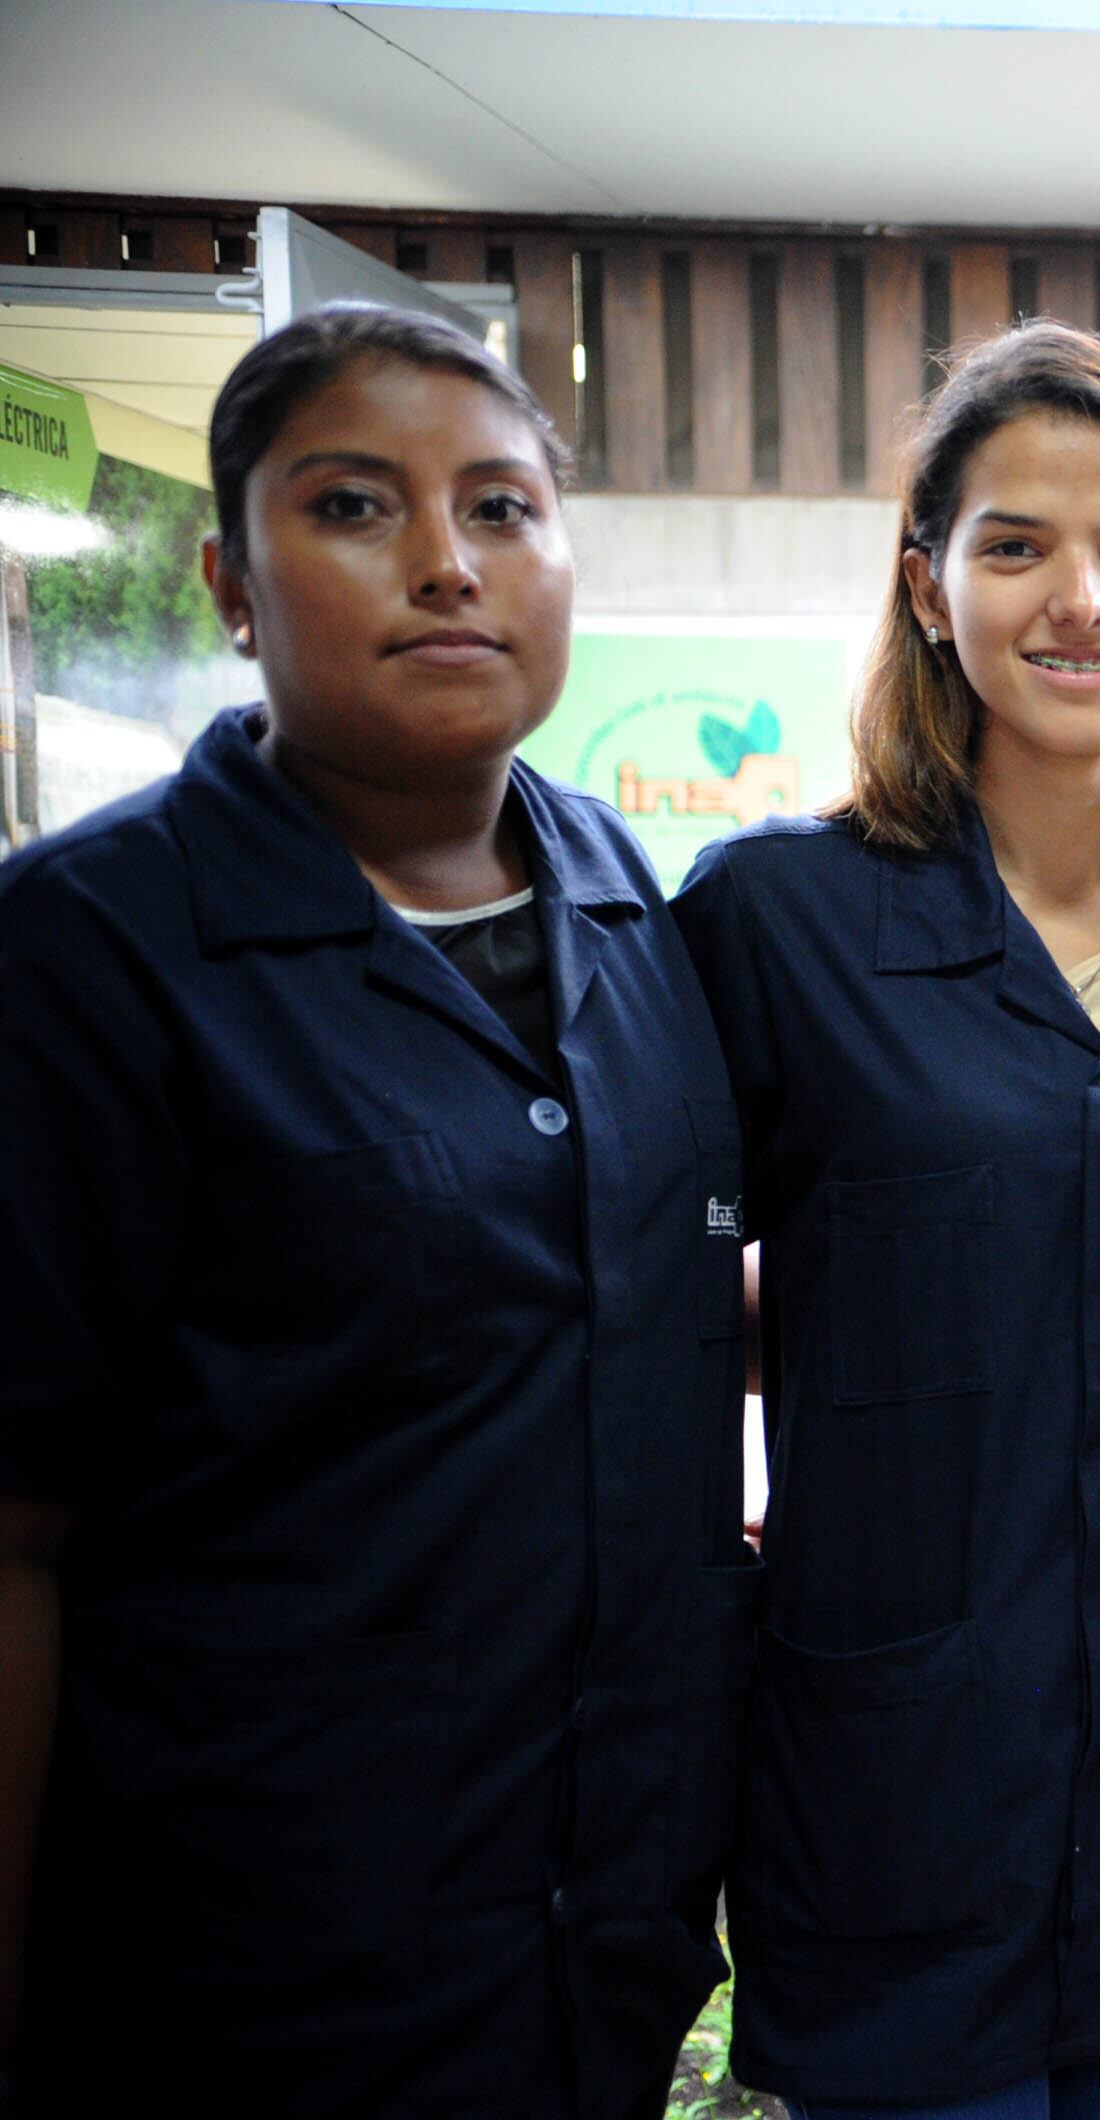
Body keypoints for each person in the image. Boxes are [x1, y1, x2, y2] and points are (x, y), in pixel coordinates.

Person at [0, 303, 757, 2115]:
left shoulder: (625, 897)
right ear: (231, 586)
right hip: (250, 1982)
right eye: (352, 506)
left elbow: (620, 1309)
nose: (446, 563)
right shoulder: (88, 956)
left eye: (501, 509)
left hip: (599, 1960)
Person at [671, 320, 1100, 2120]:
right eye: (1016, 546)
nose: (1082, 599)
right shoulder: (775, 921)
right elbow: (646, 1307)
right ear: (928, 586)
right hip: (887, 1807)